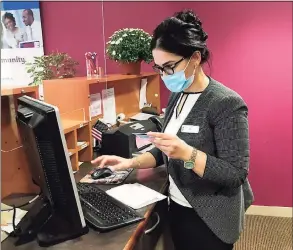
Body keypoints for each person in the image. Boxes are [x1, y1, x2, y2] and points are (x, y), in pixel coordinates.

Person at [92, 9, 254, 250]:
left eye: (169, 66)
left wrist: (188, 154)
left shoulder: (225, 103)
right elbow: (166, 150)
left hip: (209, 216)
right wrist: (128, 163)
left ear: (195, 58)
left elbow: (235, 174)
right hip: (177, 205)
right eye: (158, 68)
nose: (164, 75)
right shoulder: (178, 96)